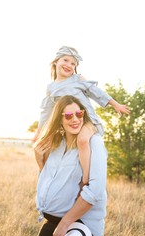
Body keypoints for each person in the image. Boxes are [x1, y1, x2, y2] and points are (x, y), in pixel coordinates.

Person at [34, 46, 130, 188]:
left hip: (87, 121)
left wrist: (115, 104)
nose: (69, 65)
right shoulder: (51, 88)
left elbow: (96, 92)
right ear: (55, 62)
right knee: (50, 146)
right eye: (66, 60)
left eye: (73, 64)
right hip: (68, 125)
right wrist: (39, 131)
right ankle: (47, 178)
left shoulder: (77, 79)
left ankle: (86, 178)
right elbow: (46, 111)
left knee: (83, 140)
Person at [31, 95, 108, 236]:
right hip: (52, 224)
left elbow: (95, 192)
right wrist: (40, 160)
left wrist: (64, 223)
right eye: (68, 116)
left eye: (79, 114)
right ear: (59, 119)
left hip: (78, 229)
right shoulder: (57, 143)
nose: (75, 119)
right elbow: (53, 181)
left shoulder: (94, 143)